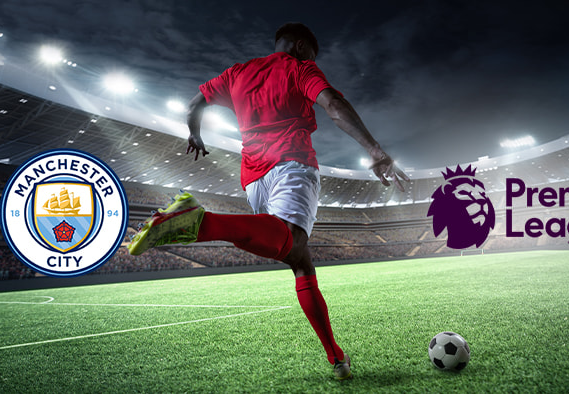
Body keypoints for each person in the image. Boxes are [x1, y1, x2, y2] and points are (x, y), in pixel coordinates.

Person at [128, 22, 409, 380]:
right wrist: (374, 150)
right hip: (291, 162)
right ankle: (201, 221)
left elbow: (196, 102)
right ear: (303, 48)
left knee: (299, 261)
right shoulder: (299, 67)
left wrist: (195, 132)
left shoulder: (237, 73)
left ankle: (336, 357)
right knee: (292, 240)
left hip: (253, 177)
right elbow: (334, 105)